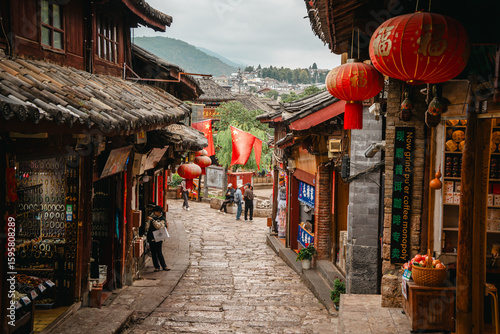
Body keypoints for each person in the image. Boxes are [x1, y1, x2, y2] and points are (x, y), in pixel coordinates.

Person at [144, 205, 170, 272]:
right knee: (153, 253)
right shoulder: (153, 217)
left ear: (158, 212)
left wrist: (152, 220)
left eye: (155, 211)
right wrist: (148, 222)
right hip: (151, 237)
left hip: (159, 237)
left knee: (159, 252)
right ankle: (156, 267)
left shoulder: (162, 219)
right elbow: (147, 227)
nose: (154, 213)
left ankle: (164, 266)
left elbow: (158, 226)